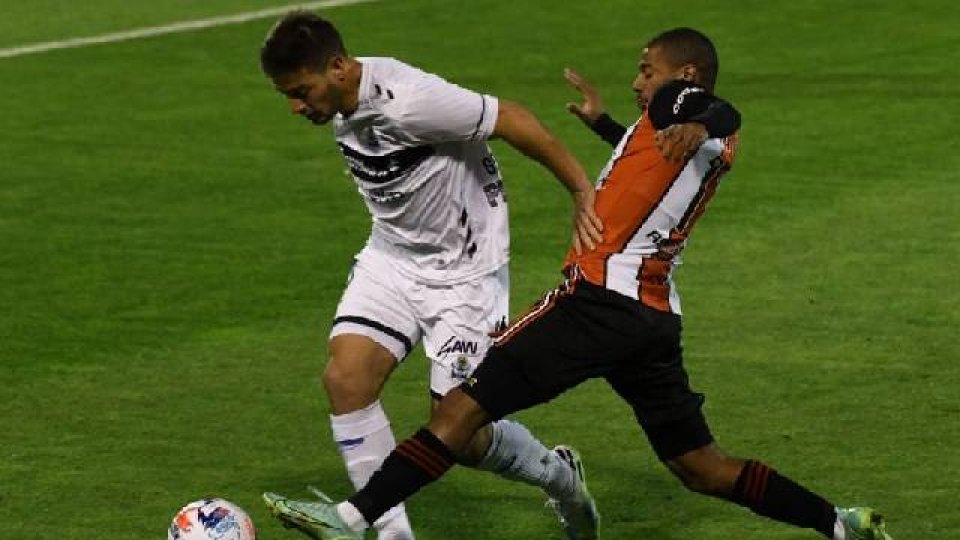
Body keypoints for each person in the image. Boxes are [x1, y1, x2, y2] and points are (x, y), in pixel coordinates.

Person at [261, 27, 894, 540]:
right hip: (652, 317)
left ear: (686, 77)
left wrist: (706, 119)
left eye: (648, 69)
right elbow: (641, 161)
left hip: (597, 302)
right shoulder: (681, 148)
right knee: (700, 467)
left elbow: (719, 113)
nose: (638, 79)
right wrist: (603, 123)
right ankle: (837, 523)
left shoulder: (686, 112)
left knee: (457, 412)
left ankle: (350, 518)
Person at [258, 10, 612, 540]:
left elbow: (512, 118)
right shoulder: (340, 99)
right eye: (286, 94)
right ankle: (391, 535)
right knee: (346, 378)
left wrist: (582, 190)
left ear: (336, 67)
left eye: (301, 91)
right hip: (393, 259)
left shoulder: (412, 102)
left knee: (462, 435)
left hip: (465, 274)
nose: (295, 106)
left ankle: (560, 477)